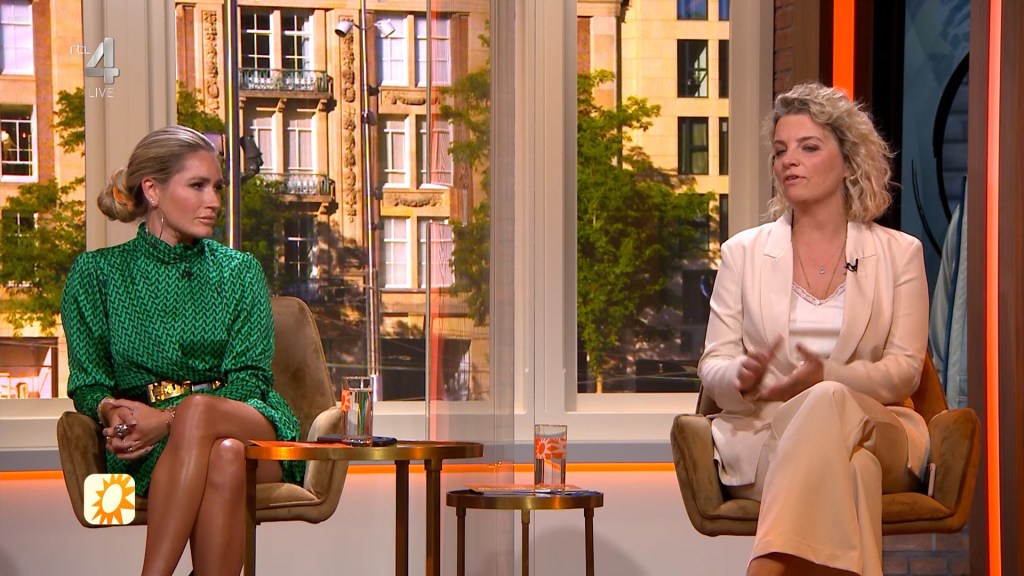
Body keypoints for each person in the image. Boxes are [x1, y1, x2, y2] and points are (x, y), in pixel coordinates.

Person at [698, 83, 930, 576]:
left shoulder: (899, 254)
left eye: (808, 147)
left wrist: (828, 376)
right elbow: (713, 365)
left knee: (828, 398)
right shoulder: (742, 254)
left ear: (848, 162)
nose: (789, 161)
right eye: (780, 150)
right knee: (855, 471)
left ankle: (765, 567)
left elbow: (905, 372)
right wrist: (740, 377)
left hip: (879, 429)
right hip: (767, 436)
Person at [61, 125, 304, 575]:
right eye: (197, 186)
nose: (214, 201)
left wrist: (171, 419)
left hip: (249, 421)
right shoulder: (97, 273)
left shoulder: (239, 271)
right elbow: (89, 383)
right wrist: (112, 410)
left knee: (202, 413)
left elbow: (250, 379)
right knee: (225, 455)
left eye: (217, 187)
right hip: (150, 448)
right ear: (152, 190)